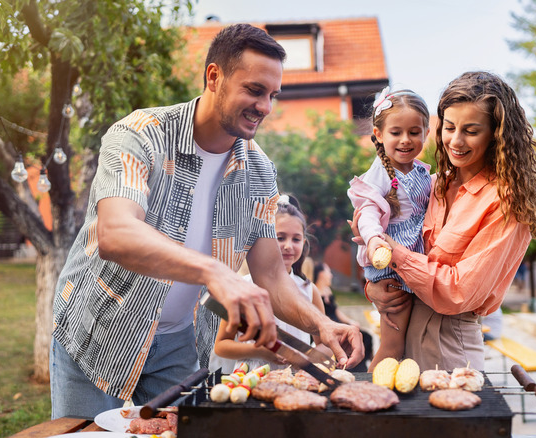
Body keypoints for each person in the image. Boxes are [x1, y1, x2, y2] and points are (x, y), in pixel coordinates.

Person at [49, 24, 363, 420]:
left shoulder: (261, 173)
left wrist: (321, 323)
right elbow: (116, 233)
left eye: (272, 95)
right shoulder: (140, 135)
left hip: (180, 342)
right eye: (254, 90)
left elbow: (271, 275)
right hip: (98, 330)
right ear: (214, 77)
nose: (265, 107)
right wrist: (216, 273)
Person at [356, 71, 536, 370]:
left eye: (471, 131)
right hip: (404, 331)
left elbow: (457, 293)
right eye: (449, 127)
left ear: (496, 134)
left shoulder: (506, 203)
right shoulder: (433, 185)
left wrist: (394, 255)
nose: (455, 141)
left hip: (450, 346)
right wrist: (376, 289)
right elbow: (379, 233)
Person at [347, 87, 431, 370]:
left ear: (426, 132)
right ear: (379, 134)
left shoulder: (420, 170)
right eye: (396, 132)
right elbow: (368, 213)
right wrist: (373, 241)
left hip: (412, 259)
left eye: (414, 132)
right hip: (391, 268)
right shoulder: (380, 174)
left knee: (408, 344)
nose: (406, 140)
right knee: (393, 345)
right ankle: (368, 390)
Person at [212, 196, 329, 372]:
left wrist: (306, 357)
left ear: (304, 243)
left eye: (296, 239)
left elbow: (326, 344)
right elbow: (221, 345)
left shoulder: (309, 290)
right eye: (280, 238)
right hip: (251, 382)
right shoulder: (243, 289)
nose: (288, 246)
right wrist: (259, 351)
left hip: (297, 382)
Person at [314, 261, 374, 372]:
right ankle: (353, 367)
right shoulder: (315, 292)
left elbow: (336, 311)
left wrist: (351, 321)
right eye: (328, 271)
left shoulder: (328, 290)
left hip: (336, 323)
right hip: (327, 326)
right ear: (321, 273)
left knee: (365, 336)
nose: (331, 275)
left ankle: (364, 365)